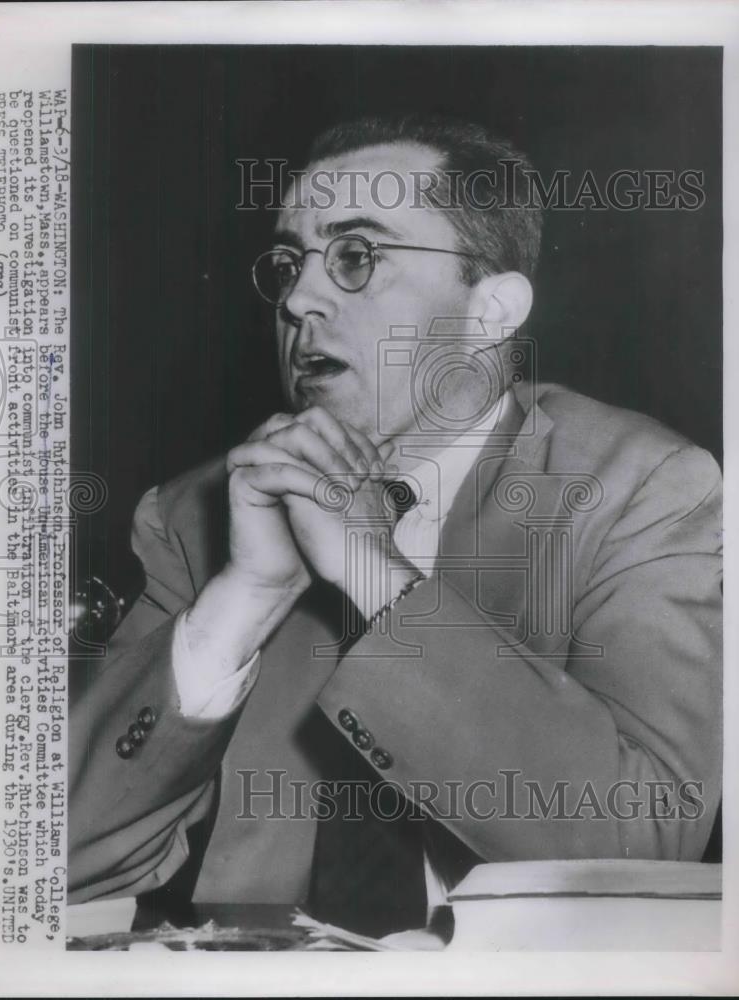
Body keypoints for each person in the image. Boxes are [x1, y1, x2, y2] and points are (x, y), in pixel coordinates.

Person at [68, 115, 722, 938]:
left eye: (355, 256)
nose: (299, 300)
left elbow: (640, 842)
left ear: (490, 310)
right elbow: (53, 865)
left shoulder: (642, 486)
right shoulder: (198, 513)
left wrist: (374, 575)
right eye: (288, 264)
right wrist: (247, 595)